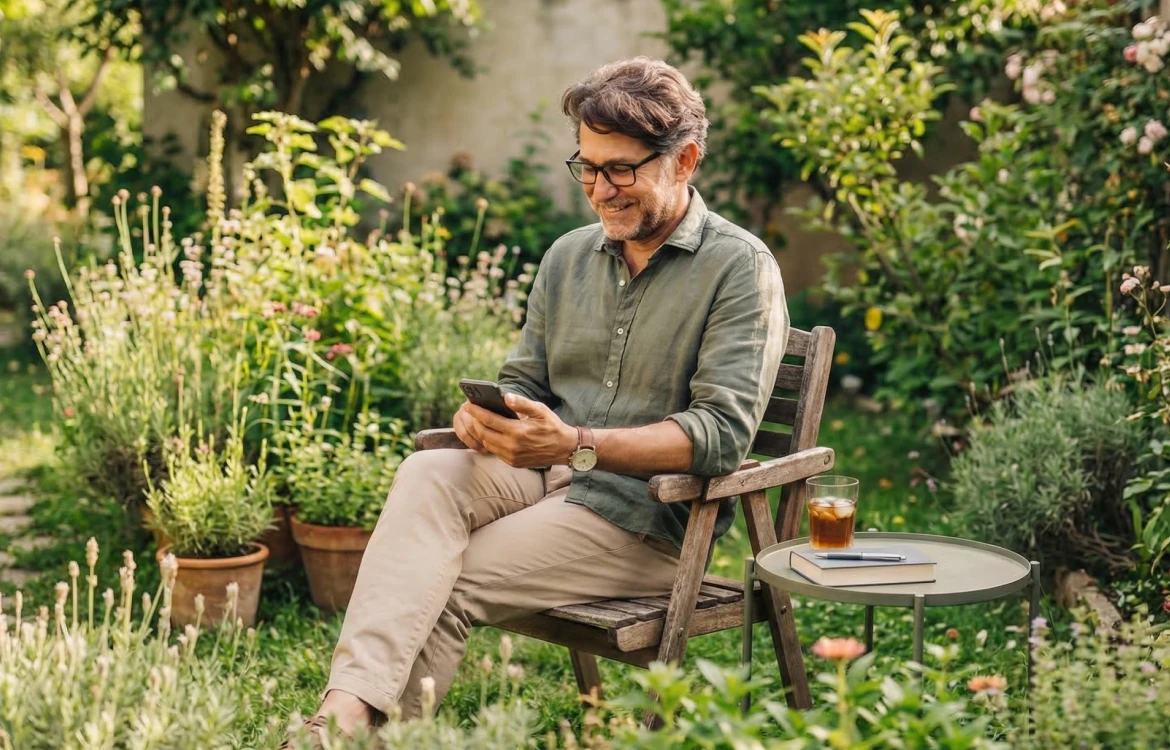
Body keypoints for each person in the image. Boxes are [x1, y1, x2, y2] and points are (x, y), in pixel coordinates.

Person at [291, 55, 789, 742]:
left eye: (621, 169)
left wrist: (577, 446)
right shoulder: (568, 258)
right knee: (428, 472)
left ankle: (351, 736)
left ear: (686, 160)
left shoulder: (740, 269)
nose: (600, 189)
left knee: (439, 586)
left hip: (649, 517)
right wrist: (492, 414)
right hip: (549, 477)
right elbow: (527, 379)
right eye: (587, 166)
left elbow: (719, 437)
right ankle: (342, 715)